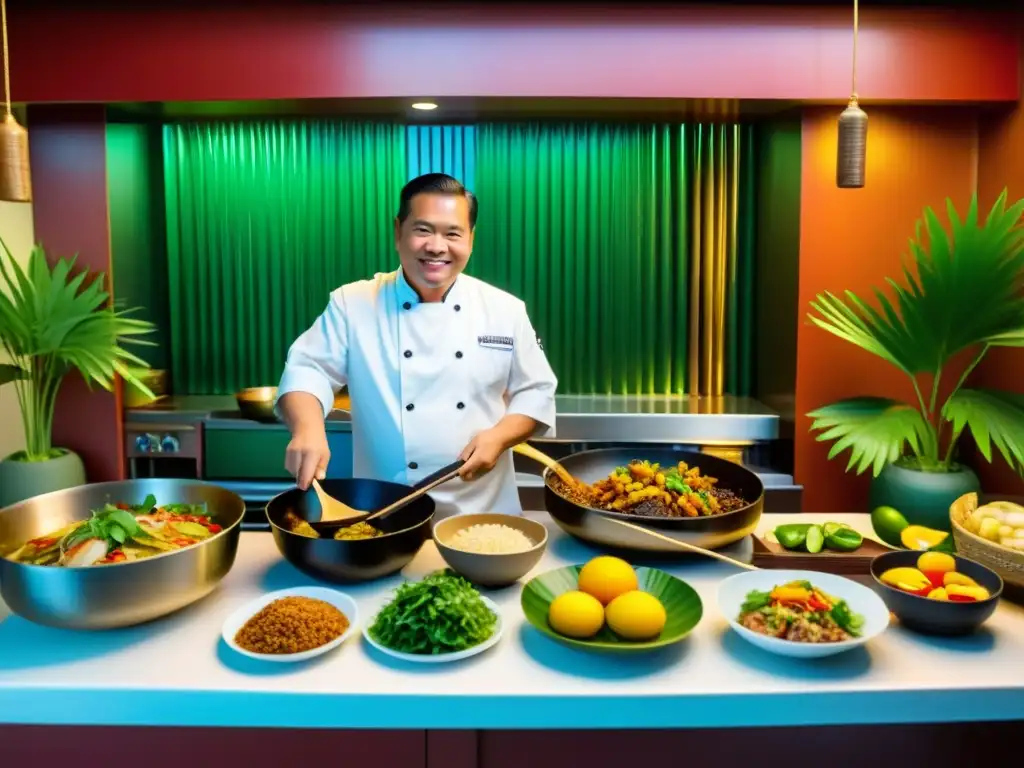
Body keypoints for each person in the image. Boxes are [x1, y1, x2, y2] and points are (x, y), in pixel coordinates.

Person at [275, 173, 558, 518]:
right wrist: (307, 428)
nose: (437, 246)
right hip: (385, 513)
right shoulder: (353, 303)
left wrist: (499, 437)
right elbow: (309, 369)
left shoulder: (505, 309)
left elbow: (537, 391)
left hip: (484, 520)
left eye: (453, 233)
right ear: (398, 232)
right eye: (423, 230)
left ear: (471, 238)